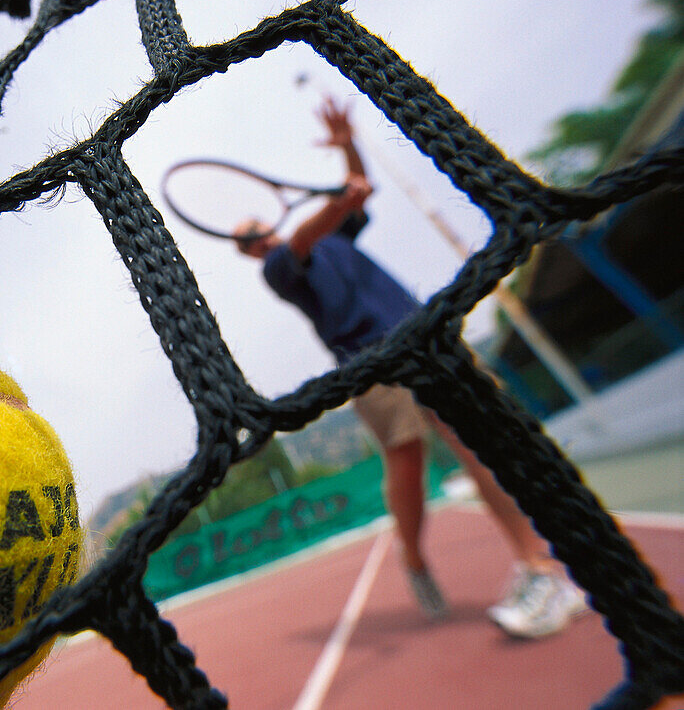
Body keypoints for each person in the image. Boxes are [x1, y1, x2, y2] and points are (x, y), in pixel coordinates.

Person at [233, 97, 586, 638]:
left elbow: (353, 188)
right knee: (408, 468)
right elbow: (312, 230)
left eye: (255, 228)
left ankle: (539, 568)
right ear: (250, 253)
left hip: (429, 342)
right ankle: (415, 558)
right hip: (369, 366)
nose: (256, 238)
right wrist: (339, 204)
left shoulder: (336, 239)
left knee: (480, 445)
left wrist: (348, 144)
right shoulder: (281, 267)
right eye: (245, 241)